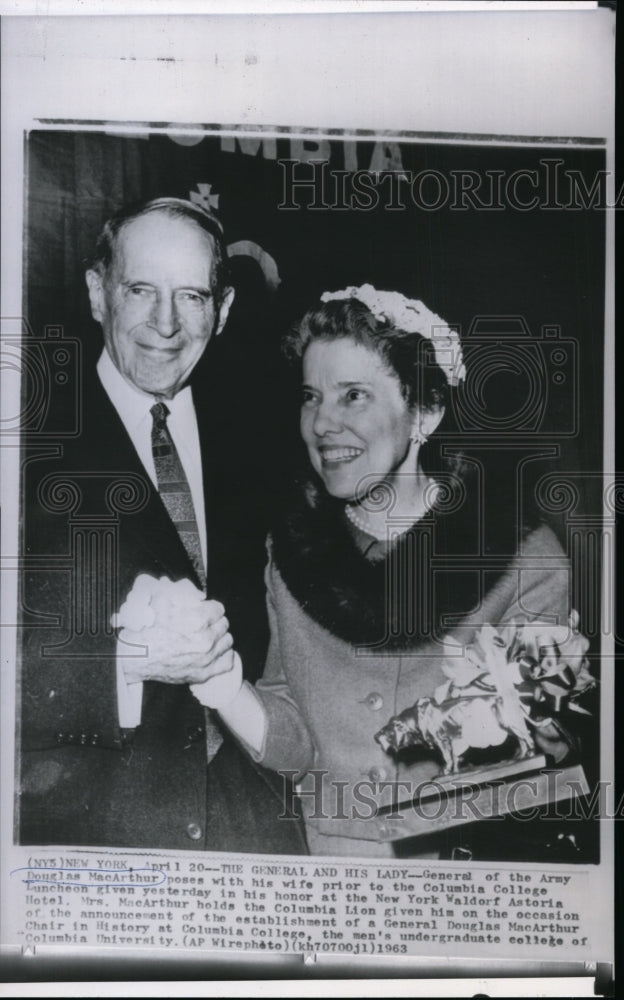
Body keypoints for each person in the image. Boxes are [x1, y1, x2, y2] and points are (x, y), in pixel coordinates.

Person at [192, 284, 591, 859]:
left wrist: (508, 704)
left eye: (353, 395)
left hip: (465, 879)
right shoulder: (292, 552)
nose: (322, 423)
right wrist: (225, 686)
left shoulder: (522, 556)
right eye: (311, 396)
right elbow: (296, 739)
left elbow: (542, 757)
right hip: (324, 875)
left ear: (425, 411)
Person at [18, 196, 307, 854]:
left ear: (224, 310)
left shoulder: (266, 446)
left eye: (193, 297)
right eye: (141, 289)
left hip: (252, 834)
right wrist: (124, 662)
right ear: (98, 294)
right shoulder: (28, 444)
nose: (166, 324)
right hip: (98, 843)